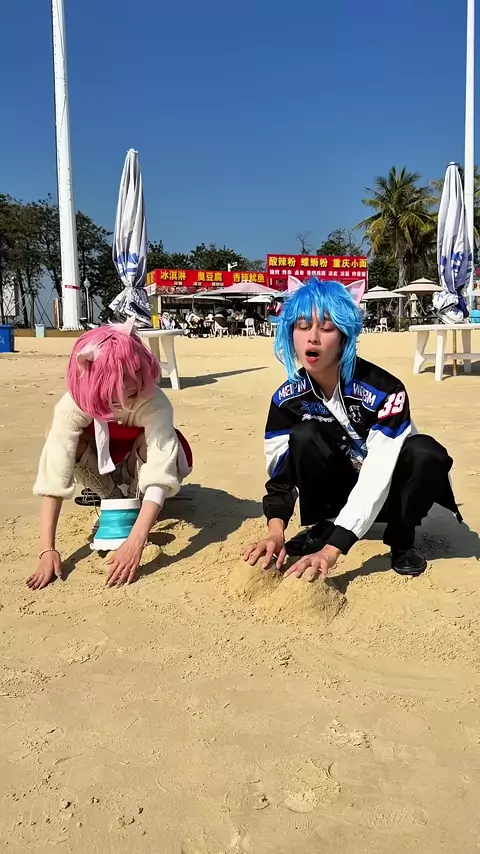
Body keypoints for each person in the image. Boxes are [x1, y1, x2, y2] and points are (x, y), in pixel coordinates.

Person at [244, 277, 461, 581]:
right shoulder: (287, 399)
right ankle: (325, 524)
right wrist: (275, 531)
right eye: (302, 326)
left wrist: (332, 551)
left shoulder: (386, 390)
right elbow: (281, 473)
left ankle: (402, 539)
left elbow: (378, 471)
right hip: (343, 488)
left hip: (391, 490)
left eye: (327, 328)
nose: (312, 338)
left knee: (426, 452)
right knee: (305, 435)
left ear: (345, 336)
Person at [28, 317, 192, 591]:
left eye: (135, 371)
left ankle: (134, 498)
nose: (132, 384)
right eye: (119, 378)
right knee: (60, 437)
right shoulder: (73, 404)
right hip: (100, 460)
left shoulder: (154, 401)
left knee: (161, 444)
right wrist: (47, 550)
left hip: (136, 458)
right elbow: (55, 473)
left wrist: (137, 539)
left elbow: (161, 468)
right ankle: (111, 496)